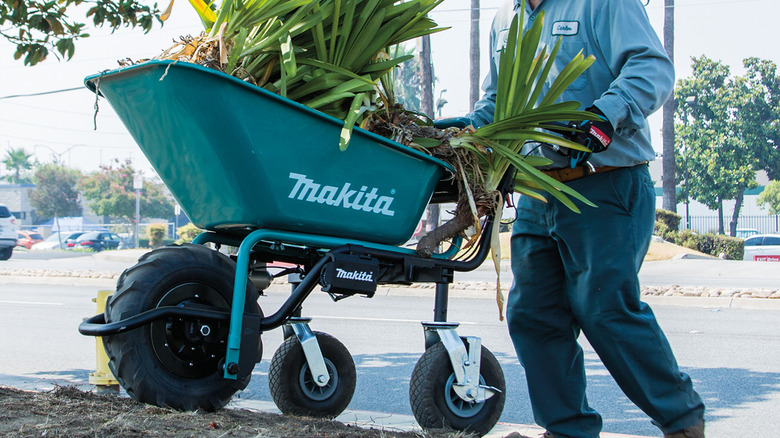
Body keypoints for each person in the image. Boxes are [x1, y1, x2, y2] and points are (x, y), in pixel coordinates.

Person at [435, 0, 706, 437]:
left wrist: (605, 115)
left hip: (605, 184)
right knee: (533, 313)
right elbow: (497, 103)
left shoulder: (603, 4)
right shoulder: (506, 19)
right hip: (538, 190)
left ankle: (682, 421)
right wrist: (459, 132)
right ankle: (567, 430)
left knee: (604, 306)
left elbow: (651, 68)